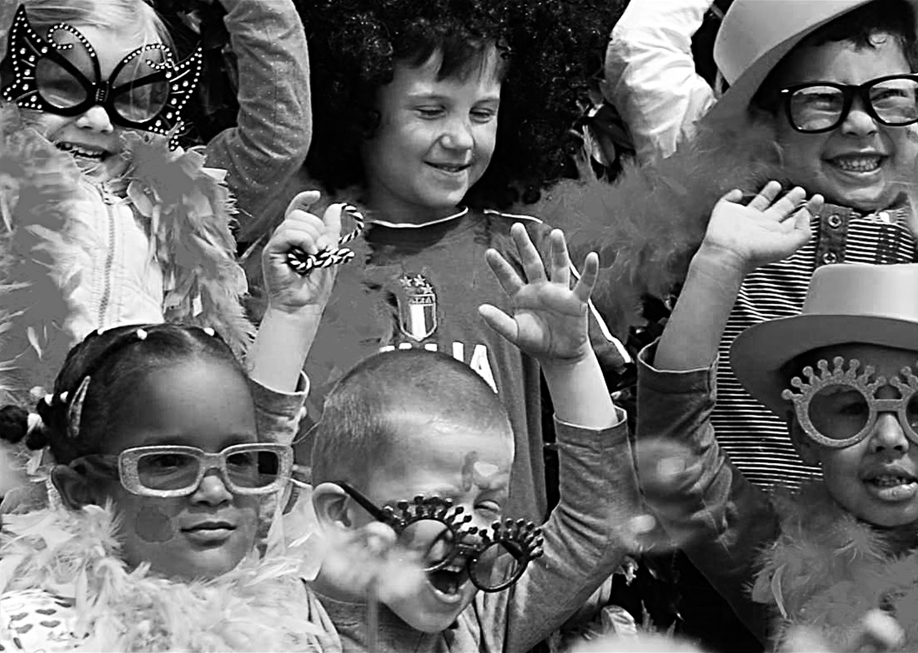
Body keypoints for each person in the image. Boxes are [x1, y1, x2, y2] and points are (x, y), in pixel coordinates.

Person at [634, 179, 918, 651]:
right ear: (805, 433)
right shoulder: (771, 560)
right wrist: (717, 265)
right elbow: (678, 451)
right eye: (851, 406)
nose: (889, 436)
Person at [289, 0, 630, 524]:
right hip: (344, 567)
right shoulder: (306, 260)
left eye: (483, 113)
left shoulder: (528, 254)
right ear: (359, 111)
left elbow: (605, 433)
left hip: (504, 567)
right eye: (431, 111)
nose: (462, 138)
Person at [0, 191, 345, 650]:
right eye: (167, 462)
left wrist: (292, 314)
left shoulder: (288, 624)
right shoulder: (33, 631)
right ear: (80, 489)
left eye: (241, 461)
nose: (216, 491)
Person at [301, 224, 642, 652]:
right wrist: (288, 318)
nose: (474, 534)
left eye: (486, 507)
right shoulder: (273, 627)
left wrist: (569, 364)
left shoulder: (480, 626)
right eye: (437, 505)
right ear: (342, 515)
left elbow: (599, 523)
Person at [0, 0, 312, 408]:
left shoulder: (180, 203)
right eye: (63, 86)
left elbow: (275, 140)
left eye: (132, 98)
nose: (98, 120)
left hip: (146, 440)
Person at [604, 0, 918, 193]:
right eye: (822, 99)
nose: (860, 123)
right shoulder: (714, 190)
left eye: (889, 95)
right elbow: (638, 45)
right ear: (764, 118)